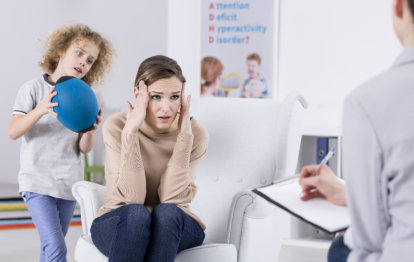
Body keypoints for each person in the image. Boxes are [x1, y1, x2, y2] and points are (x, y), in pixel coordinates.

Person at [299, 0, 414, 260]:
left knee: (341, 247)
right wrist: (347, 193)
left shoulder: (368, 102)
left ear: (398, 7)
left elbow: (371, 237)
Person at [8, 24, 114, 262]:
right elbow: (13, 132)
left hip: (67, 183)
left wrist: (89, 131)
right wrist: (42, 109)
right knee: (56, 248)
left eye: (90, 60)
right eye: (79, 53)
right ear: (60, 50)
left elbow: (83, 148)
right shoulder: (33, 89)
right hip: (36, 181)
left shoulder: (87, 96)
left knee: (49, 250)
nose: (83, 62)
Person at [90, 55, 209, 262]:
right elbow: (132, 198)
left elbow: (172, 199)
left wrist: (184, 139)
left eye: (174, 97)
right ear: (139, 94)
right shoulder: (117, 126)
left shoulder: (194, 133)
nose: (167, 107)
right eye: (156, 97)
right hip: (121, 222)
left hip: (174, 225)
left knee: (167, 213)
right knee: (136, 214)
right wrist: (130, 134)